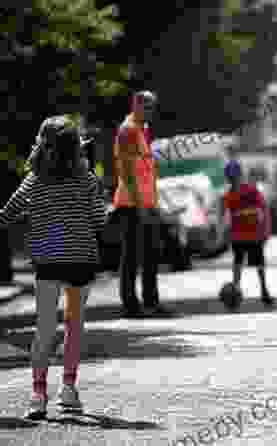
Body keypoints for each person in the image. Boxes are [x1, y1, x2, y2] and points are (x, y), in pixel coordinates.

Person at [0, 116, 106, 419]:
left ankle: (37, 394)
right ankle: (69, 390)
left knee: (44, 327)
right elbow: (100, 221)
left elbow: (7, 214)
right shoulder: (87, 179)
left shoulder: (34, 180)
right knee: (74, 325)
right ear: (76, 148)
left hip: (47, 258)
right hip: (80, 259)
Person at [113, 90, 172, 318]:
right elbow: (127, 173)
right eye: (146, 106)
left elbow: (145, 169)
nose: (150, 111)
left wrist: (153, 203)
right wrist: (139, 205)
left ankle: (151, 302)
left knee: (150, 254)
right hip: (131, 204)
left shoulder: (143, 130)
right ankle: (130, 304)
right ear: (135, 105)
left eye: (152, 107)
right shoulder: (128, 130)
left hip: (146, 203)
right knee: (132, 256)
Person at [218, 159, 273, 306]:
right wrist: (224, 234)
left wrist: (265, 230)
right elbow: (226, 216)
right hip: (241, 236)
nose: (232, 179)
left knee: (254, 264)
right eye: (230, 176)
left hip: (253, 234)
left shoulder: (250, 191)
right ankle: (239, 290)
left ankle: (263, 290)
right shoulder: (230, 195)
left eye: (233, 176)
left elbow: (263, 210)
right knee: (241, 263)